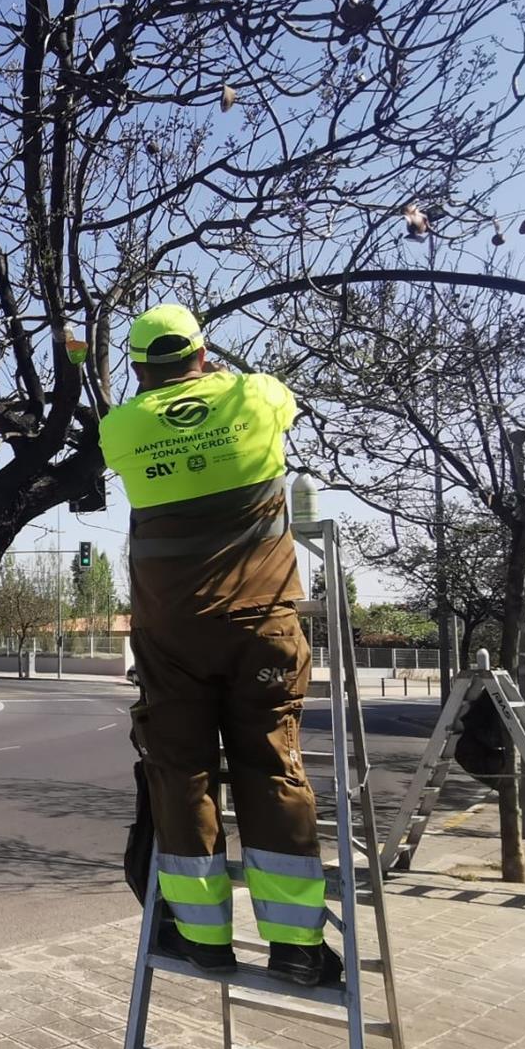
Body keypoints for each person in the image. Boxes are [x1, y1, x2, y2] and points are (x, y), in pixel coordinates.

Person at [97, 303, 339, 987]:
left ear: (142, 369)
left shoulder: (122, 428)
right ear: (203, 353)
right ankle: (296, 946)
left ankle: (203, 939)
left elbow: (135, 424)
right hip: (261, 625)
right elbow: (284, 402)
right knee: (273, 767)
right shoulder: (255, 395)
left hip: (171, 637)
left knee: (184, 775)